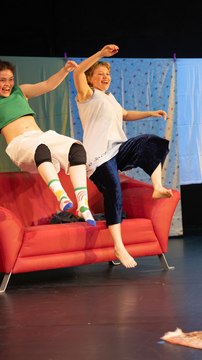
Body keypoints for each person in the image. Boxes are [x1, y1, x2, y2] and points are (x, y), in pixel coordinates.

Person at [0, 59, 97, 226]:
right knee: (41, 149)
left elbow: (48, 85)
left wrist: (65, 70)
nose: (8, 84)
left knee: (76, 148)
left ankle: (82, 205)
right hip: (19, 145)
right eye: (2, 80)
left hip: (40, 136)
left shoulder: (20, 91)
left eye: (10, 79)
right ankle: (61, 195)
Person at [71, 44, 173, 268]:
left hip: (117, 149)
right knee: (114, 191)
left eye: (107, 74)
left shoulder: (109, 97)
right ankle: (118, 246)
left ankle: (157, 186)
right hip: (98, 156)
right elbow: (78, 72)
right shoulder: (87, 95)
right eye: (100, 74)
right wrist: (100, 54)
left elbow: (125, 114)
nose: (105, 77)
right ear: (90, 79)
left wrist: (151, 112)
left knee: (150, 141)